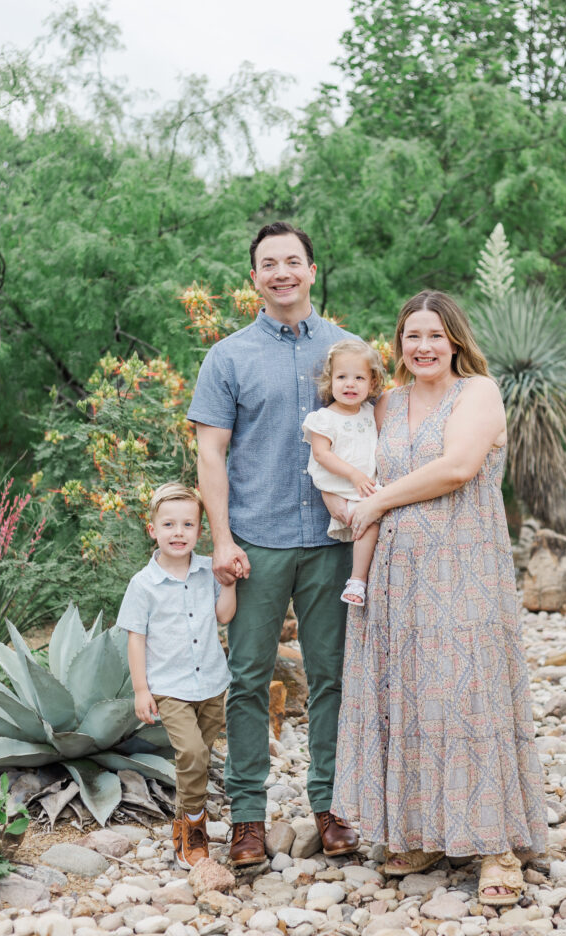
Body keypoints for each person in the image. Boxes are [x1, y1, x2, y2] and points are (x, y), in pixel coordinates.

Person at [331, 290, 548, 905]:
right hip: (396, 577)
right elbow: (340, 457)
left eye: (434, 335)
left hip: (464, 570)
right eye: (412, 336)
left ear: (455, 340)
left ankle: (496, 846)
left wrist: (377, 501)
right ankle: (424, 831)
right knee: (410, 697)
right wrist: (347, 502)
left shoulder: (478, 392)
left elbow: (457, 468)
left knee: (469, 696)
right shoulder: (386, 404)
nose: (423, 346)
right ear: (398, 344)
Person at [187, 222, 360, 866]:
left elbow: (376, 438)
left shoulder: (346, 350)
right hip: (255, 543)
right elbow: (210, 454)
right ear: (254, 278)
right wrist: (221, 540)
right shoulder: (227, 357)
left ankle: (332, 807)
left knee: (332, 677)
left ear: (312, 270)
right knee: (248, 680)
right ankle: (248, 820)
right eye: (269, 264)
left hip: (333, 540)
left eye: (293, 261)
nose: (281, 272)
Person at [117, 482, 237, 870]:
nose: (178, 532)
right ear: (152, 529)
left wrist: (229, 584)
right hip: (170, 688)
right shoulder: (143, 584)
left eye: (188, 524)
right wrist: (141, 690)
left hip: (212, 683)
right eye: (169, 524)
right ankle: (195, 825)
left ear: (200, 529)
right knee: (192, 753)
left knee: (197, 760)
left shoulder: (208, 571)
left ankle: (182, 823)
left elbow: (224, 615)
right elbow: (136, 639)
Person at [302, 338, 386, 606]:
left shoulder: (371, 412)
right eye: (342, 377)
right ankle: (357, 581)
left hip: (366, 488)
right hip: (344, 489)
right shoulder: (324, 418)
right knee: (369, 524)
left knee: (379, 521)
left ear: (372, 382)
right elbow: (321, 454)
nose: (350, 384)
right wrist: (353, 475)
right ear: (330, 381)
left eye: (359, 378)